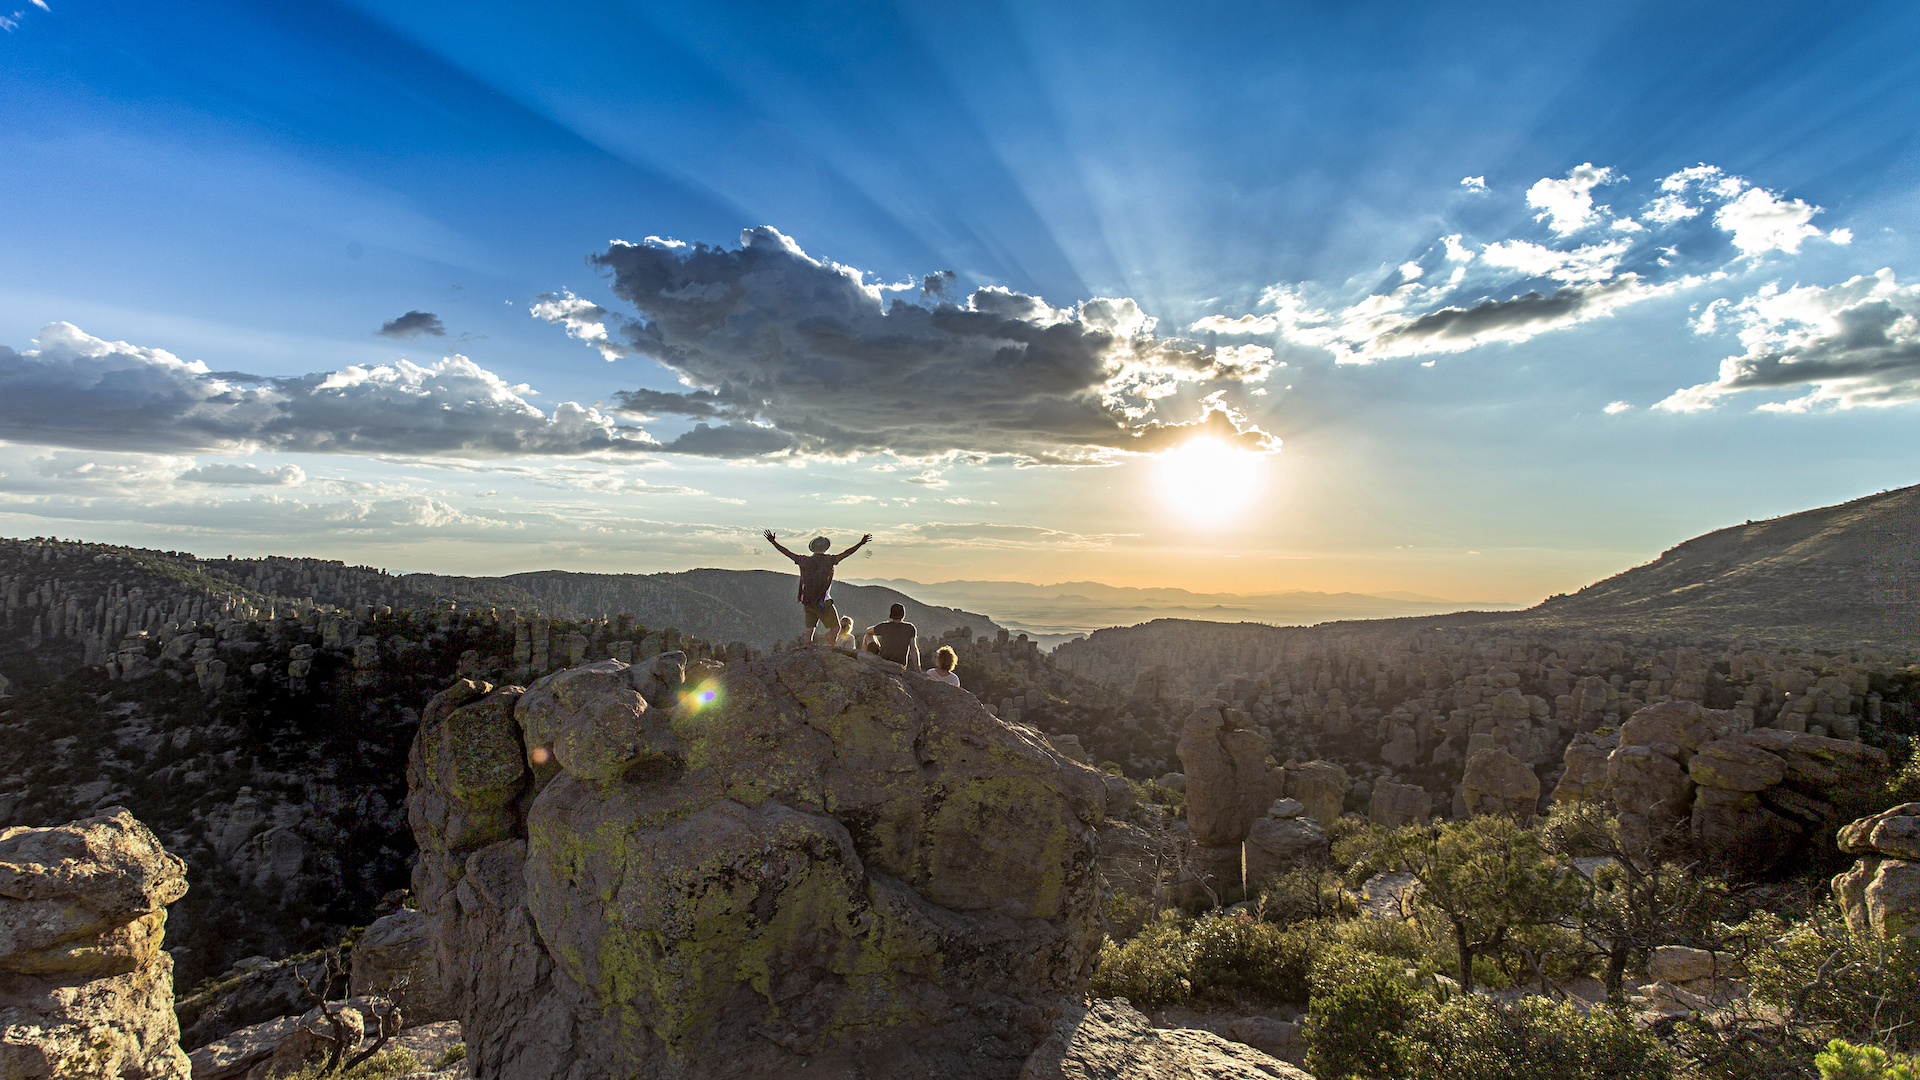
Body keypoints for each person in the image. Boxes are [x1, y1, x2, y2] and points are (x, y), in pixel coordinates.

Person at [764, 530, 872, 644]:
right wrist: (861, 543)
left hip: (807, 600)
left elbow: (788, 553)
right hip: (822, 601)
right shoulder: (829, 560)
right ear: (825, 548)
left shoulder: (804, 560)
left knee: (810, 629)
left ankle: (806, 650)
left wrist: (773, 542)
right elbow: (846, 553)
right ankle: (830, 650)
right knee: (835, 628)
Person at [862, 603, 920, 669]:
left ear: (891, 614)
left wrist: (877, 633)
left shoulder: (883, 626)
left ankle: (865, 659)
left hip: (883, 661)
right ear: (903, 615)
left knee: (868, 636)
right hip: (900, 664)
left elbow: (868, 631)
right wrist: (918, 669)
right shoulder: (910, 628)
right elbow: (913, 649)